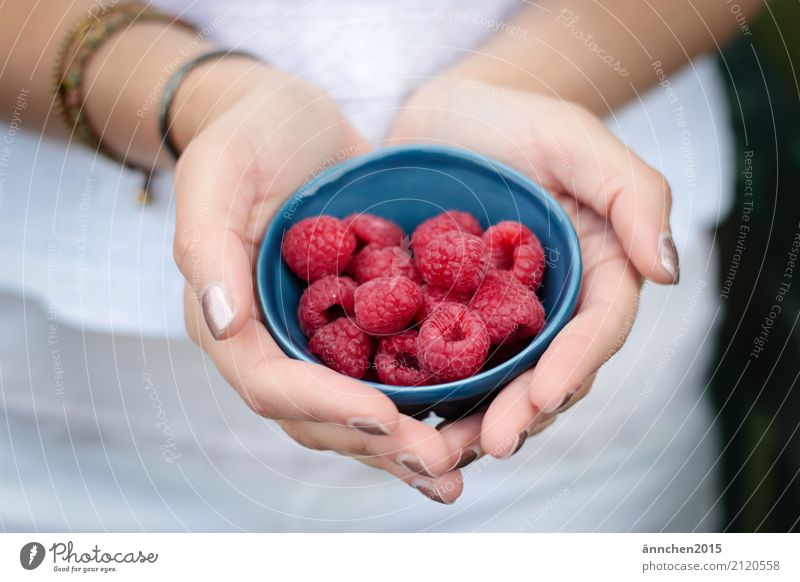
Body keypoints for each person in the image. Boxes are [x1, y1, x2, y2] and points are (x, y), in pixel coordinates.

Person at [0, 0, 761, 531]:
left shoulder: (463, 285)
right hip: (68, 430)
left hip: (589, 453)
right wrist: (192, 96)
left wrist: (516, 85)